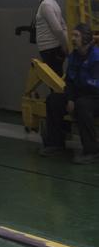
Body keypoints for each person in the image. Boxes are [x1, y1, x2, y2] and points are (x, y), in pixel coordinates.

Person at [40, 24, 99, 163]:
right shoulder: (74, 57)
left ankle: (92, 151)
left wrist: (75, 99)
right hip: (80, 95)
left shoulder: (96, 58)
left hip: (95, 97)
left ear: (85, 38)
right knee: (53, 100)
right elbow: (70, 82)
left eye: (76, 36)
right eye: (72, 35)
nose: (72, 39)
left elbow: (94, 87)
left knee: (82, 105)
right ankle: (55, 143)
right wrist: (70, 99)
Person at [32, 0, 68, 75]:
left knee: (55, 82)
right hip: (51, 49)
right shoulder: (51, 3)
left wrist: (64, 46)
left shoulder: (46, 5)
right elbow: (62, 25)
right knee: (56, 79)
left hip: (50, 50)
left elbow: (58, 29)